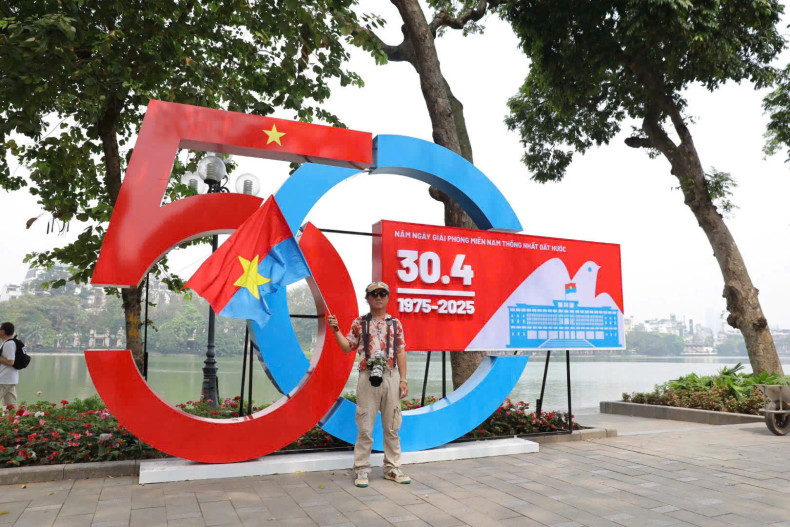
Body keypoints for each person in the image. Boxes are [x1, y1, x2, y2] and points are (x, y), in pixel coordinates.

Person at [327, 281, 411, 488]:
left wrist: (403, 379)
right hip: (367, 377)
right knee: (365, 426)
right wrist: (335, 329)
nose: (378, 297)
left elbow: (400, 351)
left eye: (383, 293)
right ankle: (361, 470)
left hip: (391, 376)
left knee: (392, 426)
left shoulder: (396, 324)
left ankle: (392, 468)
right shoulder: (360, 323)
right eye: (374, 294)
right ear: (367, 298)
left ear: (388, 297)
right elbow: (348, 347)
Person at [0, 322, 19, 407]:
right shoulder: (6, 343)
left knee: (11, 406)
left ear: (3, 331)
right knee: (11, 407)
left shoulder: (9, 343)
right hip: (9, 379)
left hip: (4, 379)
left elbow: (10, 362)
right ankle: (12, 420)